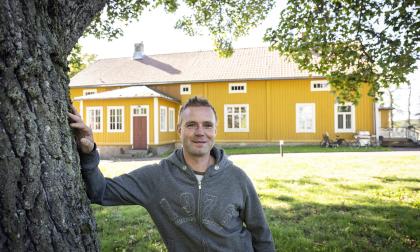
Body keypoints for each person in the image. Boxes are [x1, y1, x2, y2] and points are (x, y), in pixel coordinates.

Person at [68, 97, 275, 251]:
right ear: (179, 129)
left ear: (215, 131)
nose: (200, 132)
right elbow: (100, 192)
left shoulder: (237, 178)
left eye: (207, 125)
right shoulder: (156, 178)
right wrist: (88, 153)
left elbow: (261, 234)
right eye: (191, 124)